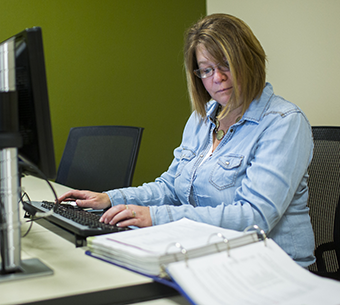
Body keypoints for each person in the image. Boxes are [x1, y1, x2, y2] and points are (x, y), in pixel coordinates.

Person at [58, 14, 315, 267]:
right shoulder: (202, 119)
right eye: (206, 70)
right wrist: (111, 199)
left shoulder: (284, 122)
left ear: (249, 60)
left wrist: (156, 217)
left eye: (226, 64)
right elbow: (170, 187)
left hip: (270, 266)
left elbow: (254, 217)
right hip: (209, 254)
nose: (217, 78)